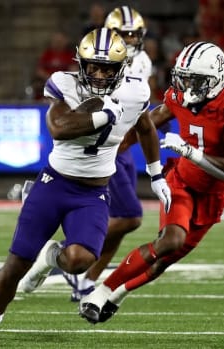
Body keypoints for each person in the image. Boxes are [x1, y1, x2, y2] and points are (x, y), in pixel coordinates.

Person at [0, 28, 171, 348]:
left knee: (79, 259)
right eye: (94, 67)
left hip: (93, 193)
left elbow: (144, 126)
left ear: (122, 68)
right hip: (54, 185)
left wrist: (156, 173)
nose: (100, 75)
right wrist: (103, 116)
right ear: (81, 64)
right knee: (16, 264)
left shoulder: (135, 91)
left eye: (107, 69)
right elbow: (59, 128)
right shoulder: (64, 83)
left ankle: (51, 256)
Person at [78, 41, 224, 324]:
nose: (187, 87)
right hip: (182, 182)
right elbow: (147, 123)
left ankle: (118, 294)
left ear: (216, 80)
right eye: (184, 78)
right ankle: (100, 291)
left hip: (213, 194)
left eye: (195, 81)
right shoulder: (178, 97)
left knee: (167, 258)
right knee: (170, 240)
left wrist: (190, 152)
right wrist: (113, 144)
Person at [62, 5, 154, 302]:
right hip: (104, 145)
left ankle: (86, 279)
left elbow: (140, 113)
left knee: (126, 219)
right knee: (130, 217)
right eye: (122, 34)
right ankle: (72, 250)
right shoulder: (97, 65)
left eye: (132, 34)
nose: (128, 39)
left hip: (122, 145)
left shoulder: (143, 62)